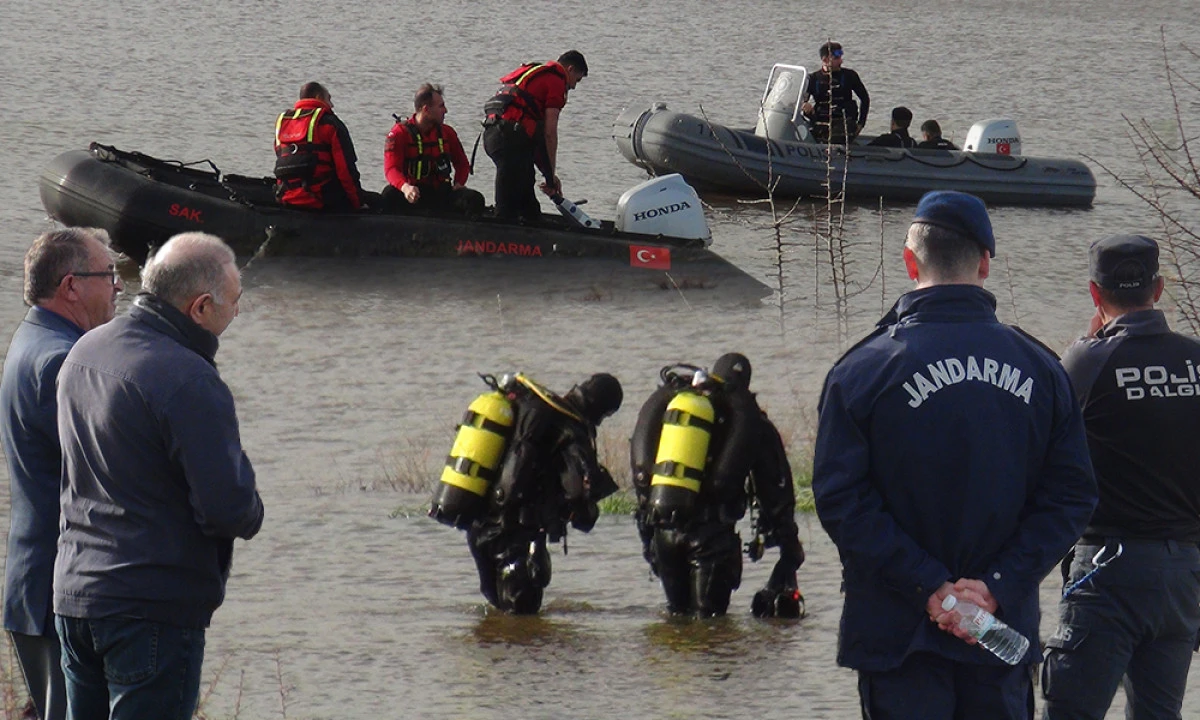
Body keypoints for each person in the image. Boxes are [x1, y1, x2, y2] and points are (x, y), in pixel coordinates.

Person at [811, 191, 1097, 719]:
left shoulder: (862, 371)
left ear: (908, 260)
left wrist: (929, 586)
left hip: (898, 638)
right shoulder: (1041, 370)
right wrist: (995, 588)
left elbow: (839, 499)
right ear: (986, 263)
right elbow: (1073, 497)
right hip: (998, 637)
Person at [53, 232, 264, 720]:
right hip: (150, 607)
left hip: (75, 594)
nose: (235, 315)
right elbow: (228, 508)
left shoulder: (84, 351)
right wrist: (252, 502)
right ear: (201, 307)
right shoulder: (189, 379)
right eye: (234, 304)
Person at [1041, 235, 1200, 720]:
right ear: (1159, 288)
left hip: (1109, 570)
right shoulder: (1196, 358)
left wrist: (1085, 343)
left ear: (1094, 293)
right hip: (1184, 576)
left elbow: (1042, 452)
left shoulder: (1086, 362)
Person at [1, 228, 122, 720]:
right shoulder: (61, 362)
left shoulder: (32, 338)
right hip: (59, 586)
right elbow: (106, 472)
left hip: (34, 578)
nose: (118, 286)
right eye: (109, 275)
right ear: (71, 286)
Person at [630, 354, 806, 618]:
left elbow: (646, 472)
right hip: (711, 539)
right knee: (710, 624)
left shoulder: (679, 411)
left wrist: (648, 540)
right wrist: (788, 543)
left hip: (664, 531)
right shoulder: (749, 422)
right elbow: (775, 490)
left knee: (676, 618)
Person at [464, 372, 621, 614]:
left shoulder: (530, 407)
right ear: (600, 408)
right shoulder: (571, 428)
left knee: (498, 617)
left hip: (479, 522)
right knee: (521, 619)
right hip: (517, 532)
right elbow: (576, 493)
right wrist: (587, 512)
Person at [482, 50, 588, 223]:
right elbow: (549, 134)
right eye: (577, 79)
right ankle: (502, 228)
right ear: (570, 69)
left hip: (493, 134)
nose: (574, 87)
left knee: (526, 184)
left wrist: (548, 176)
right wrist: (551, 174)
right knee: (509, 193)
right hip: (509, 137)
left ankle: (532, 223)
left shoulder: (536, 73)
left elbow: (536, 138)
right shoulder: (556, 81)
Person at [382, 83, 485, 216]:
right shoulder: (399, 134)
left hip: (441, 193)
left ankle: (465, 234)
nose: (446, 110)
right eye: (441, 106)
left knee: (475, 199)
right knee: (388, 195)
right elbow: (391, 169)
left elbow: (462, 164)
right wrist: (405, 187)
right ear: (426, 109)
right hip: (413, 194)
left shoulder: (447, 133)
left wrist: (459, 182)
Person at [274, 81, 368, 211]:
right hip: (321, 200)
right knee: (378, 201)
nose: (332, 105)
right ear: (318, 97)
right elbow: (345, 171)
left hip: (286, 197)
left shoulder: (283, 122)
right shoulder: (330, 124)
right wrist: (359, 204)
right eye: (329, 99)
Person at [800, 41, 870, 144]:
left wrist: (861, 124)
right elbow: (801, 100)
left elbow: (865, 99)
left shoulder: (850, 76)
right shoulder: (813, 79)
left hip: (844, 123)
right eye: (837, 58)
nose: (841, 61)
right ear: (825, 59)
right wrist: (805, 106)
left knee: (835, 138)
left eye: (841, 57)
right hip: (821, 122)